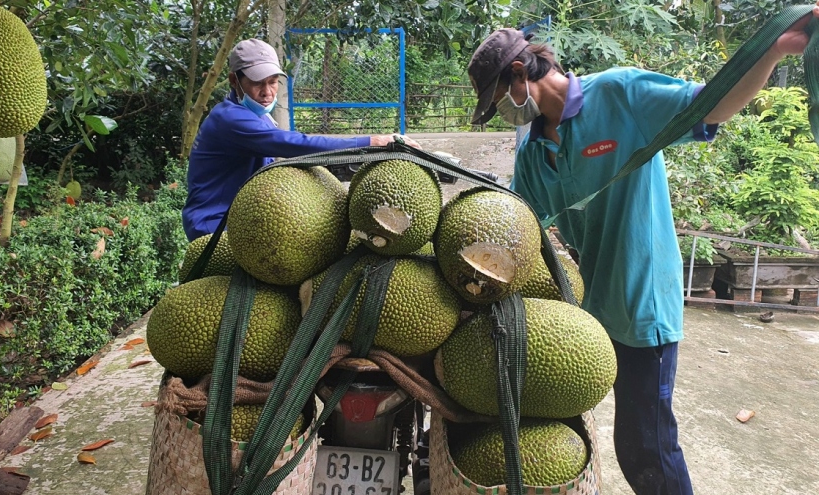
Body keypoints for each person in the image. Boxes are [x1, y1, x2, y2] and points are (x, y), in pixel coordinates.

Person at [466, 5, 819, 494]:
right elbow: (520, 225)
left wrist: (773, 51)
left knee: (646, 447)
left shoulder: (620, 93)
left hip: (643, 304)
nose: (504, 110)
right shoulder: (533, 154)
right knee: (571, 424)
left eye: (501, 97)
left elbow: (711, 105)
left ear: (522, 73)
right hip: (592, 310)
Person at [183, 38, 419, 241]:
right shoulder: (231, 119)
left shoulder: (256, 114)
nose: (267, 92)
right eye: (257, 83)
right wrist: (372, 141)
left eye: (273, 82)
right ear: (235, 81)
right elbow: (296, 145)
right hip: (213, 226)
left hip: (242, 215)